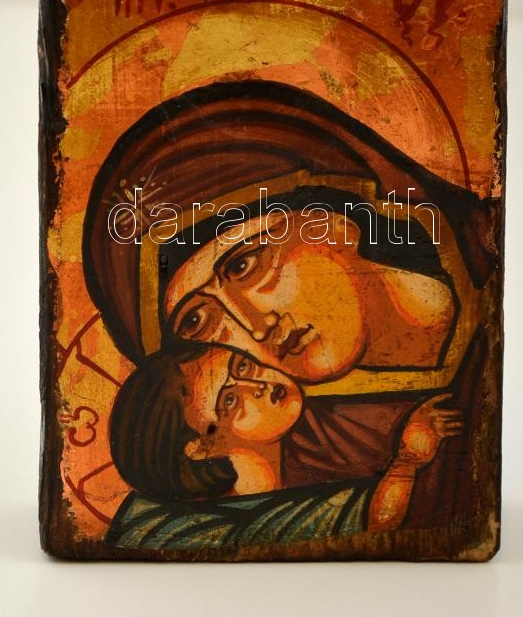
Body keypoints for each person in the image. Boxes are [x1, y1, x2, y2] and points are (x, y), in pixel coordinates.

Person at [84, 80, 492, 519]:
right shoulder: (296, 455)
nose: (255, 328)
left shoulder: (490, 285)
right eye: (197, 322)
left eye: (245, 264)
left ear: (333, 215)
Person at [108, 345, 463, 550]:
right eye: (230, 400)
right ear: (200, 447)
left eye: (242, 365)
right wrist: (406, 463)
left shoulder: (330, 432)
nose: (259, 385)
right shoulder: (230, 525)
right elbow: (376, 523)